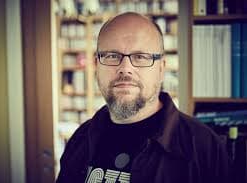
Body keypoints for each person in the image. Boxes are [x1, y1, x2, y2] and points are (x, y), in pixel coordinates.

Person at [56, 12, 230, 183]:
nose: (125, 68)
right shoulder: (80, 138)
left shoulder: (204, 147)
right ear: (96, 66)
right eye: (112, 56)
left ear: (161, 68)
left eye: (140, 57)